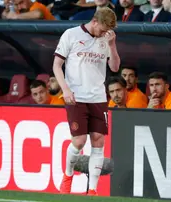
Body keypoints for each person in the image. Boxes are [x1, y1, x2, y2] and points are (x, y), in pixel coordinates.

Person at [52, 7, 120, 196]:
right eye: (102, 29)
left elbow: (114, 67)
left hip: (98, 97)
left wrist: (112, 45)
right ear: (95, 21)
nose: (103, 33)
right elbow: (57, 65)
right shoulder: (71, 34)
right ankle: (67, 177)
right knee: (79, 141)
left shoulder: (106, 39)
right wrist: (65, 89)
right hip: (76, 96)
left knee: (98, 141)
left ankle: (92, 190)